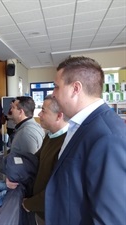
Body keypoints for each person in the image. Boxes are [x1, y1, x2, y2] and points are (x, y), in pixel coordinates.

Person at [45, 56, 126, 225]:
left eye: (57, 86)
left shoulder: (107, 136)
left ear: (76, 88)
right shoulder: (79, 125)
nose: (53, 93)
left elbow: (111, 218)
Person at [22, 95, 68, 221]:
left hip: (53, 214)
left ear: (59, 116)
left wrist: (29, 203)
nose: (39, 114)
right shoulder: (50, 136)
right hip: (41, 211)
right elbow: (35, 160)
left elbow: (58, 189)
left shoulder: (66, 144)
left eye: (43, 110)